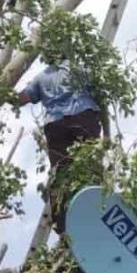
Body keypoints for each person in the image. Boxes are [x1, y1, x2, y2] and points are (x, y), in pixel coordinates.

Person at [18, 64, 110, 233]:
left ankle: (63, 225)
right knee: (90, 167)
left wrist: (1, 88)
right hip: (83, 117)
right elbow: (101, 100)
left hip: (56, 125)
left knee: (61, 173)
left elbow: (21, 99)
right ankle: (98, 211)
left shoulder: (41, 77)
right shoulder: (82, 69)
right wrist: (108, 134)